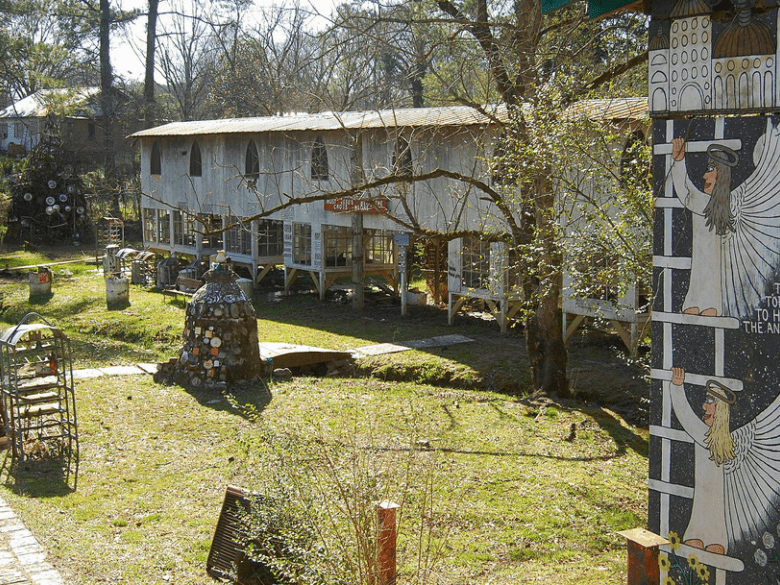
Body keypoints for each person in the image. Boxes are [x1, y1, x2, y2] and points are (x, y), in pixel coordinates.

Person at [670, 138, 739, 316]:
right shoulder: (703, 202)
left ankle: (711, 303)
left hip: (720, 285)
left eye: (711, 170)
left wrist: (678, 162)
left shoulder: (730, 206)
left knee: (714, 280)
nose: (705, 176)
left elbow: (686, 191)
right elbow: (686, 192)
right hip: (699, 277)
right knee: (699, 280)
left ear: (721, 176)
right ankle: (698, 301)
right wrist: (678, 162)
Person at [669, 367, 734, 554]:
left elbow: (686, 416)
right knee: (697, 533)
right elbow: (686, 417)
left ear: (720, 408)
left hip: (720, 517)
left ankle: (714, 538)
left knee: (714, 534)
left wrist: (677, 388)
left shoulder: (726, 441)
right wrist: (677, 387)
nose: (704, 406)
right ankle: (702, 535)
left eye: (709, 401)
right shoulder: (705, 435)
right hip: (701, 512)